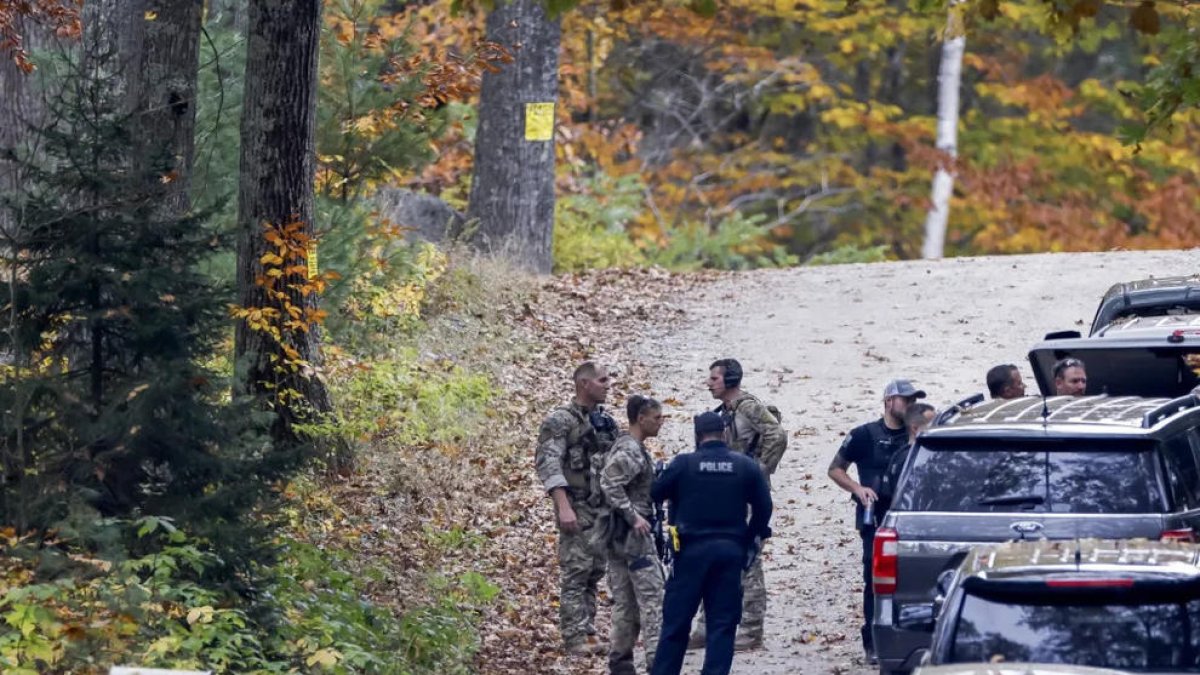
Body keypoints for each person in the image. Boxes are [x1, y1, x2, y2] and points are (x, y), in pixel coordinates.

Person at [651, 412, 773, 675]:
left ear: (698, 436)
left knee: (676, 625)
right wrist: (749, 537)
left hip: (690, 553)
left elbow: (655, 493)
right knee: (722, 626)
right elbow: (764, 507)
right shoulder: (744, 466)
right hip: (729, 552)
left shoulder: (683, 464)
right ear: (725, 434)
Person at [827, 378, 926, 664]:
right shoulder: (864, 435)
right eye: (906, 399)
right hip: (876, 518)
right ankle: (872, 643)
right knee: (874, 581)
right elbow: (835, 469)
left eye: (914, 400)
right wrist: (858, 489)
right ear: (888, 401)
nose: (911, 404)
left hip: (910, 516)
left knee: (911, 578)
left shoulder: (918, 434)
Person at [535, 361, 620, 656]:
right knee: (576, 572)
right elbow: (548, 463)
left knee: (594, 571)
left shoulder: (604, 421)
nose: (608, 385)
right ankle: (574, 637)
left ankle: (587, 631)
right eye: (602, 380)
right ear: (584, 384)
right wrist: (563, 506)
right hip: (576, 505)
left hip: (600, 508)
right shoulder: (560, 421)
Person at [702, 358, 786, 651]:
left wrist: (758, 471)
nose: (709, 383)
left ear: (730, 380)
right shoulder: (726, 411)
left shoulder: (748, 407)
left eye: (714, 378)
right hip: (726, 494)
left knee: (748, 558)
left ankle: (751, 629)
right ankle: (707, 626)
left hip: (746, 497)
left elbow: (777, 434)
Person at [600, 395, 667, 674]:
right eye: (656, 417)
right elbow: (609, 483)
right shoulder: (630, 450)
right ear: (641, 418)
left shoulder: (629, 446)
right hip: (634, 537)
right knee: (653, 599)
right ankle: (657, 661)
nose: (661, 422)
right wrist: (634, 516)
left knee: (625, 602)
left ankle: (621, 662)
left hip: (618, 536)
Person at [876, 402, 937, 518]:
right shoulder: (913, 459)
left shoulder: (900, 456)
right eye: (933, 424)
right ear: (915, 428)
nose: (938, 428)